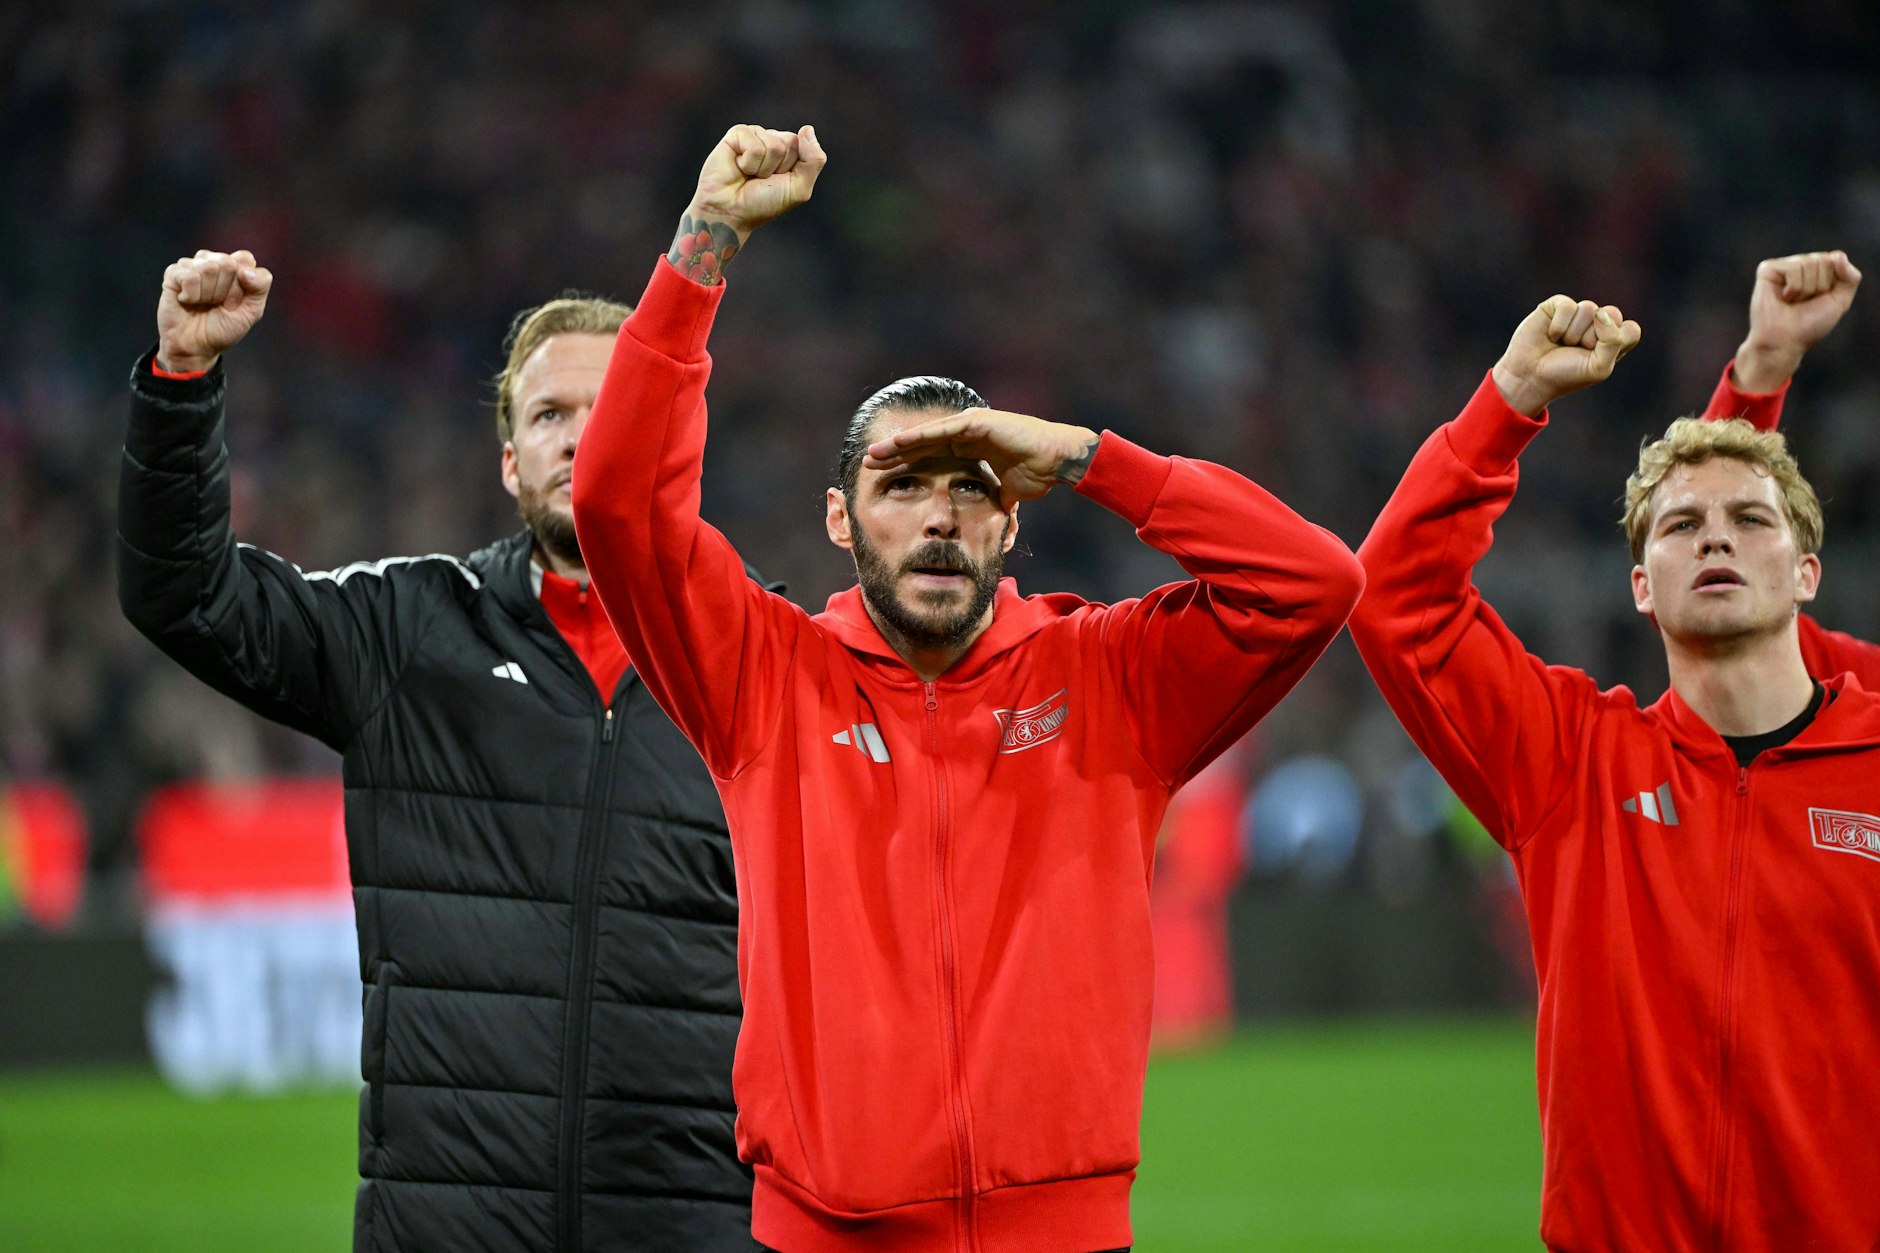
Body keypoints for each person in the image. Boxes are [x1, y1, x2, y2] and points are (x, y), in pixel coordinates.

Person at [569, 124, 1366, 1253]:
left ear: (1012, 515)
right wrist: (705, 244)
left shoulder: (1108, 673)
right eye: (900, 484)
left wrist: (1095, 457)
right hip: (821, 1234)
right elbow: (615, 504)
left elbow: (1313, 583)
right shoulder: (759, 672)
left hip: (1064, 1230)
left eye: (971, 484)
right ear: (839, 520)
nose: (939, 514)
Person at [117, 251, 761, 1250]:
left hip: (688, 1228)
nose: (580, 434)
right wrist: (182, 384)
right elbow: (188, 596)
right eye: (548, 414)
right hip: (449, 1225)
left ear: (670, 438)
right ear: (509, 461)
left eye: (611, 405)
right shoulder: (408, 630)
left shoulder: (757, 665)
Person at [1347, 257, 1879, 1250]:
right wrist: (1507, 402)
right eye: (1679, 526)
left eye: (1747, 521)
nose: (1712, 539)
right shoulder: (1571, 763)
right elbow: (1395, 602)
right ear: (1640, 586)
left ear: (1805, 572)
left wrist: (1759, 373)